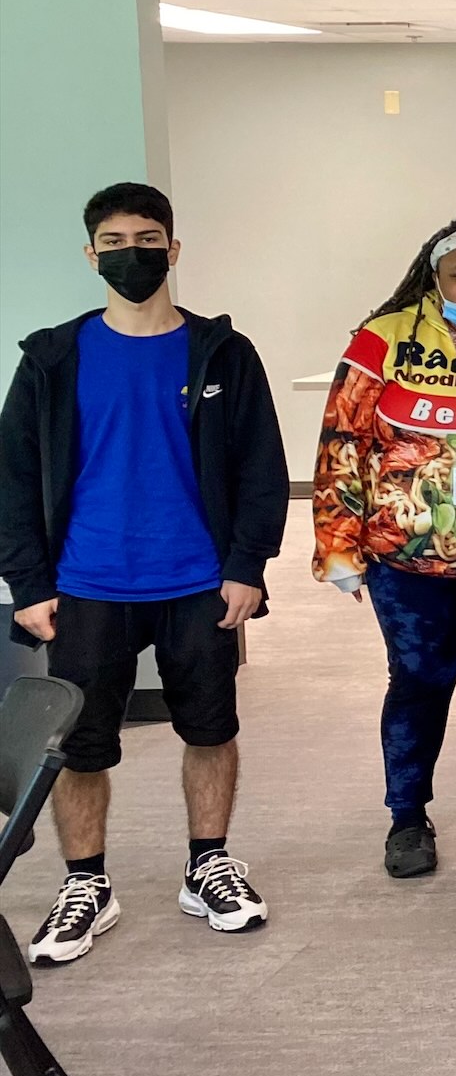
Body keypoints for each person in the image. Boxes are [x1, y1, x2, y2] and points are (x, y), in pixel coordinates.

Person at [3, 183, 283, 965]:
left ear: (174, 249)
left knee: (211, 728)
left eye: (149, 237)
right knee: (80, 747)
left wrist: (247, 566)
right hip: (86, 584)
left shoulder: (222, 352)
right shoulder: (53, 359)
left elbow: (263, 467)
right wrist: (28, 585)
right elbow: (14, 480)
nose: (134, 252)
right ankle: (86, 884)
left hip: (199, 581)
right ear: (92, 254)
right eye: (117, 240)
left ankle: (209, 865)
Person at [313, 212, 456, 878]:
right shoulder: (382, 339)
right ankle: (407, 817)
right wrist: (337, 541)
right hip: (403, 554)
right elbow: (343, 440)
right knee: (417, 680)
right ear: (435, 277)